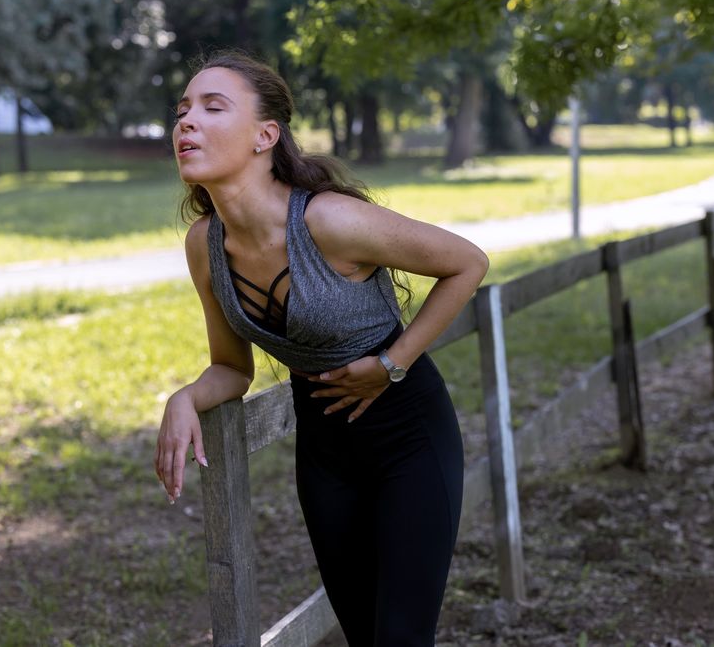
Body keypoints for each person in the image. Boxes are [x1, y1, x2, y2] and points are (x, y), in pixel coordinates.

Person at [153, 51, 489, 645]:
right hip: (326, 455)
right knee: (362, 635)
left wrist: (391, 364)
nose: (186, 122)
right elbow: (232, 367)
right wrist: (185, 399)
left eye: (212, 107)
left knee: (401, 639)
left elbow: (467, 263)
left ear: (265, 136)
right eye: (182, 110)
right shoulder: (204, 245)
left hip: (408, 438)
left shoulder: (330, 222)